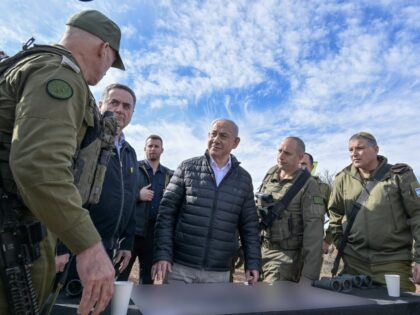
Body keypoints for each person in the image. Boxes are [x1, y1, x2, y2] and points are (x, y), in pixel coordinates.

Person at [0, 10, 125, 315]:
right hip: (11, 237)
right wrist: (88, 245)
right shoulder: (60, 73)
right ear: (104, 48)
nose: (109, 70)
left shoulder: (33, 62)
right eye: (112, 62)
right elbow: (39, 166)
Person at [151, 119, 261, 284]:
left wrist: (252, 262)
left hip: (218, 272)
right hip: (179, 268)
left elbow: (249, 226)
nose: (216, 139)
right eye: (213, 134)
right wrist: (163, 253)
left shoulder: (244, 179)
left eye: (223, 136)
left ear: (235, 143)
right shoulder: (187, 168)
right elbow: (166, 214)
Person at [56, 83, 138, 292]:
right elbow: (62, 188)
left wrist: (127, 242)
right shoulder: (85, 136)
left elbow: (129, 199)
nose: (120, 109)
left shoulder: (130, 153)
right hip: (74, 246)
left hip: (107, 248)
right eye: (114, 102)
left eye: (127, 106)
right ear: (101, 104)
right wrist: (61, 245)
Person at [328, 132, 420, 292]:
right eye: (350, 150)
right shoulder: (342, 179)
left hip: (392, 263)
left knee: (401, 307)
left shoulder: (399, 175)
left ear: (376, 149)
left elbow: (417, 215)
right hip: (353, 263)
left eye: (360, 148)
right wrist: (340, 243)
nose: (354, 153)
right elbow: (334, 214)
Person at [257, 137, 325, 283]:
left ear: (300, 157)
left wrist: (308, 277)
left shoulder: (308, 184)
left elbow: (313, 232)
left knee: (273, 303)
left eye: (287, 153)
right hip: (261, 253)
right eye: (280, 151)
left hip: (286, 260)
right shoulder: (271, 174)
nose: (281, 156)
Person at [119, 135, 173, 284]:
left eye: (156, 146)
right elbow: (120, 193)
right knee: (120, 274)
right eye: (150, 146)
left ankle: (141, 308)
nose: (153, 149)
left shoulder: (170, 175)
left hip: (153, 233)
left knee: (147, 279)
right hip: (132, 231)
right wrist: (138, 195)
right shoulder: (133, 168)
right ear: (145, 149)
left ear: (162, 150)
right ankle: (113, 306)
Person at [300, 152, 332, 254]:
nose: (300, 167)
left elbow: (336, 216)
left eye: (304, 164)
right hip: (286, 248)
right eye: (297, 163)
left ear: (312, 167)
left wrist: (327, 241)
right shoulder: (284, 186)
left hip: (313, 247)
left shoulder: (323, 188)